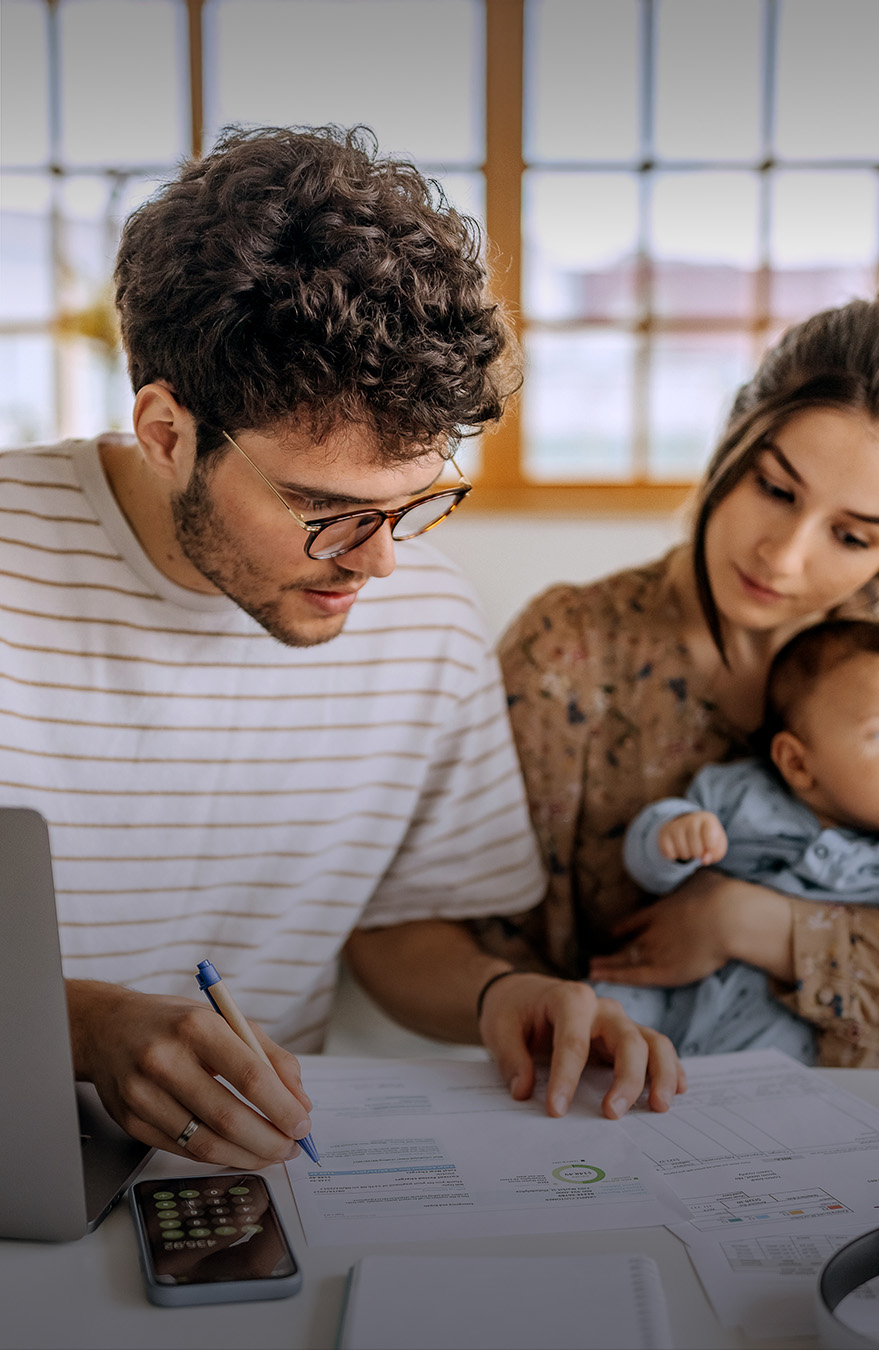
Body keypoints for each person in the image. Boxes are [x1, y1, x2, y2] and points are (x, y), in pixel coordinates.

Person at [1, 124, 682, 1172]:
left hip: (259, 1175)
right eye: (325, 510)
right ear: (166, 431)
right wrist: (80, 1028)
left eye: (414, 505)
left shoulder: (428, 623)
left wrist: (503, 994)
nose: (380, 567)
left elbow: (396, 932)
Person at [487, 287, 879, 1070]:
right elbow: (468, 941)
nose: (784, 556)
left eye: (852, 535)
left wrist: (747, 923)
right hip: (628, 1098)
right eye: (775, 489)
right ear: (732, 431)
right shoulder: (568, 651)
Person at [609, 619, 879, 1061]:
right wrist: (671, 836)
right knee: (604, 1008)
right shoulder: (739, 793)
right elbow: (649, 873)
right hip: (676, 991)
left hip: (782, 1023)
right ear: (798, 764)